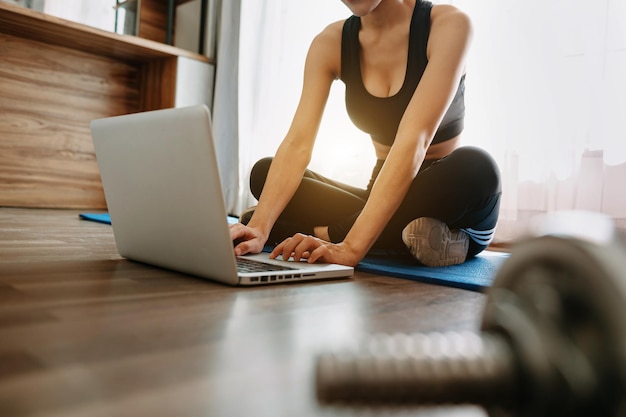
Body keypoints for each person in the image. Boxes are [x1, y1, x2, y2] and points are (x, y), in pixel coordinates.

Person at [230, 0, 501, 268]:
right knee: (265, 173)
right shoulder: (330, 42)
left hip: (449, 199)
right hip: (379, 195)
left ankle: (327, 232)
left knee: (477, 166)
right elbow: (297, 144)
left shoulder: (448, 25)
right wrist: (260, 227)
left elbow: (413, 142)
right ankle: (401, 239)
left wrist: (349, 247)